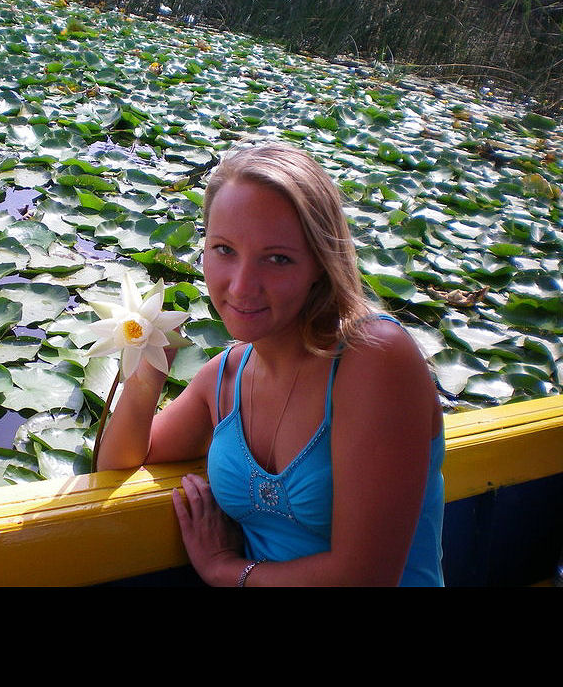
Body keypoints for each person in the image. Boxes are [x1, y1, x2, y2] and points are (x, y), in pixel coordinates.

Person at [95, 142, 445, 587]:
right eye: (224, 250)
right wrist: (146, 368)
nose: (242, 286)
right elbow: (119, 464)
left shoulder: (373, 358)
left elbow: (366, 578)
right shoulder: (224, 378)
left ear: (320, 262)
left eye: (277, 258)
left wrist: (225, 570)